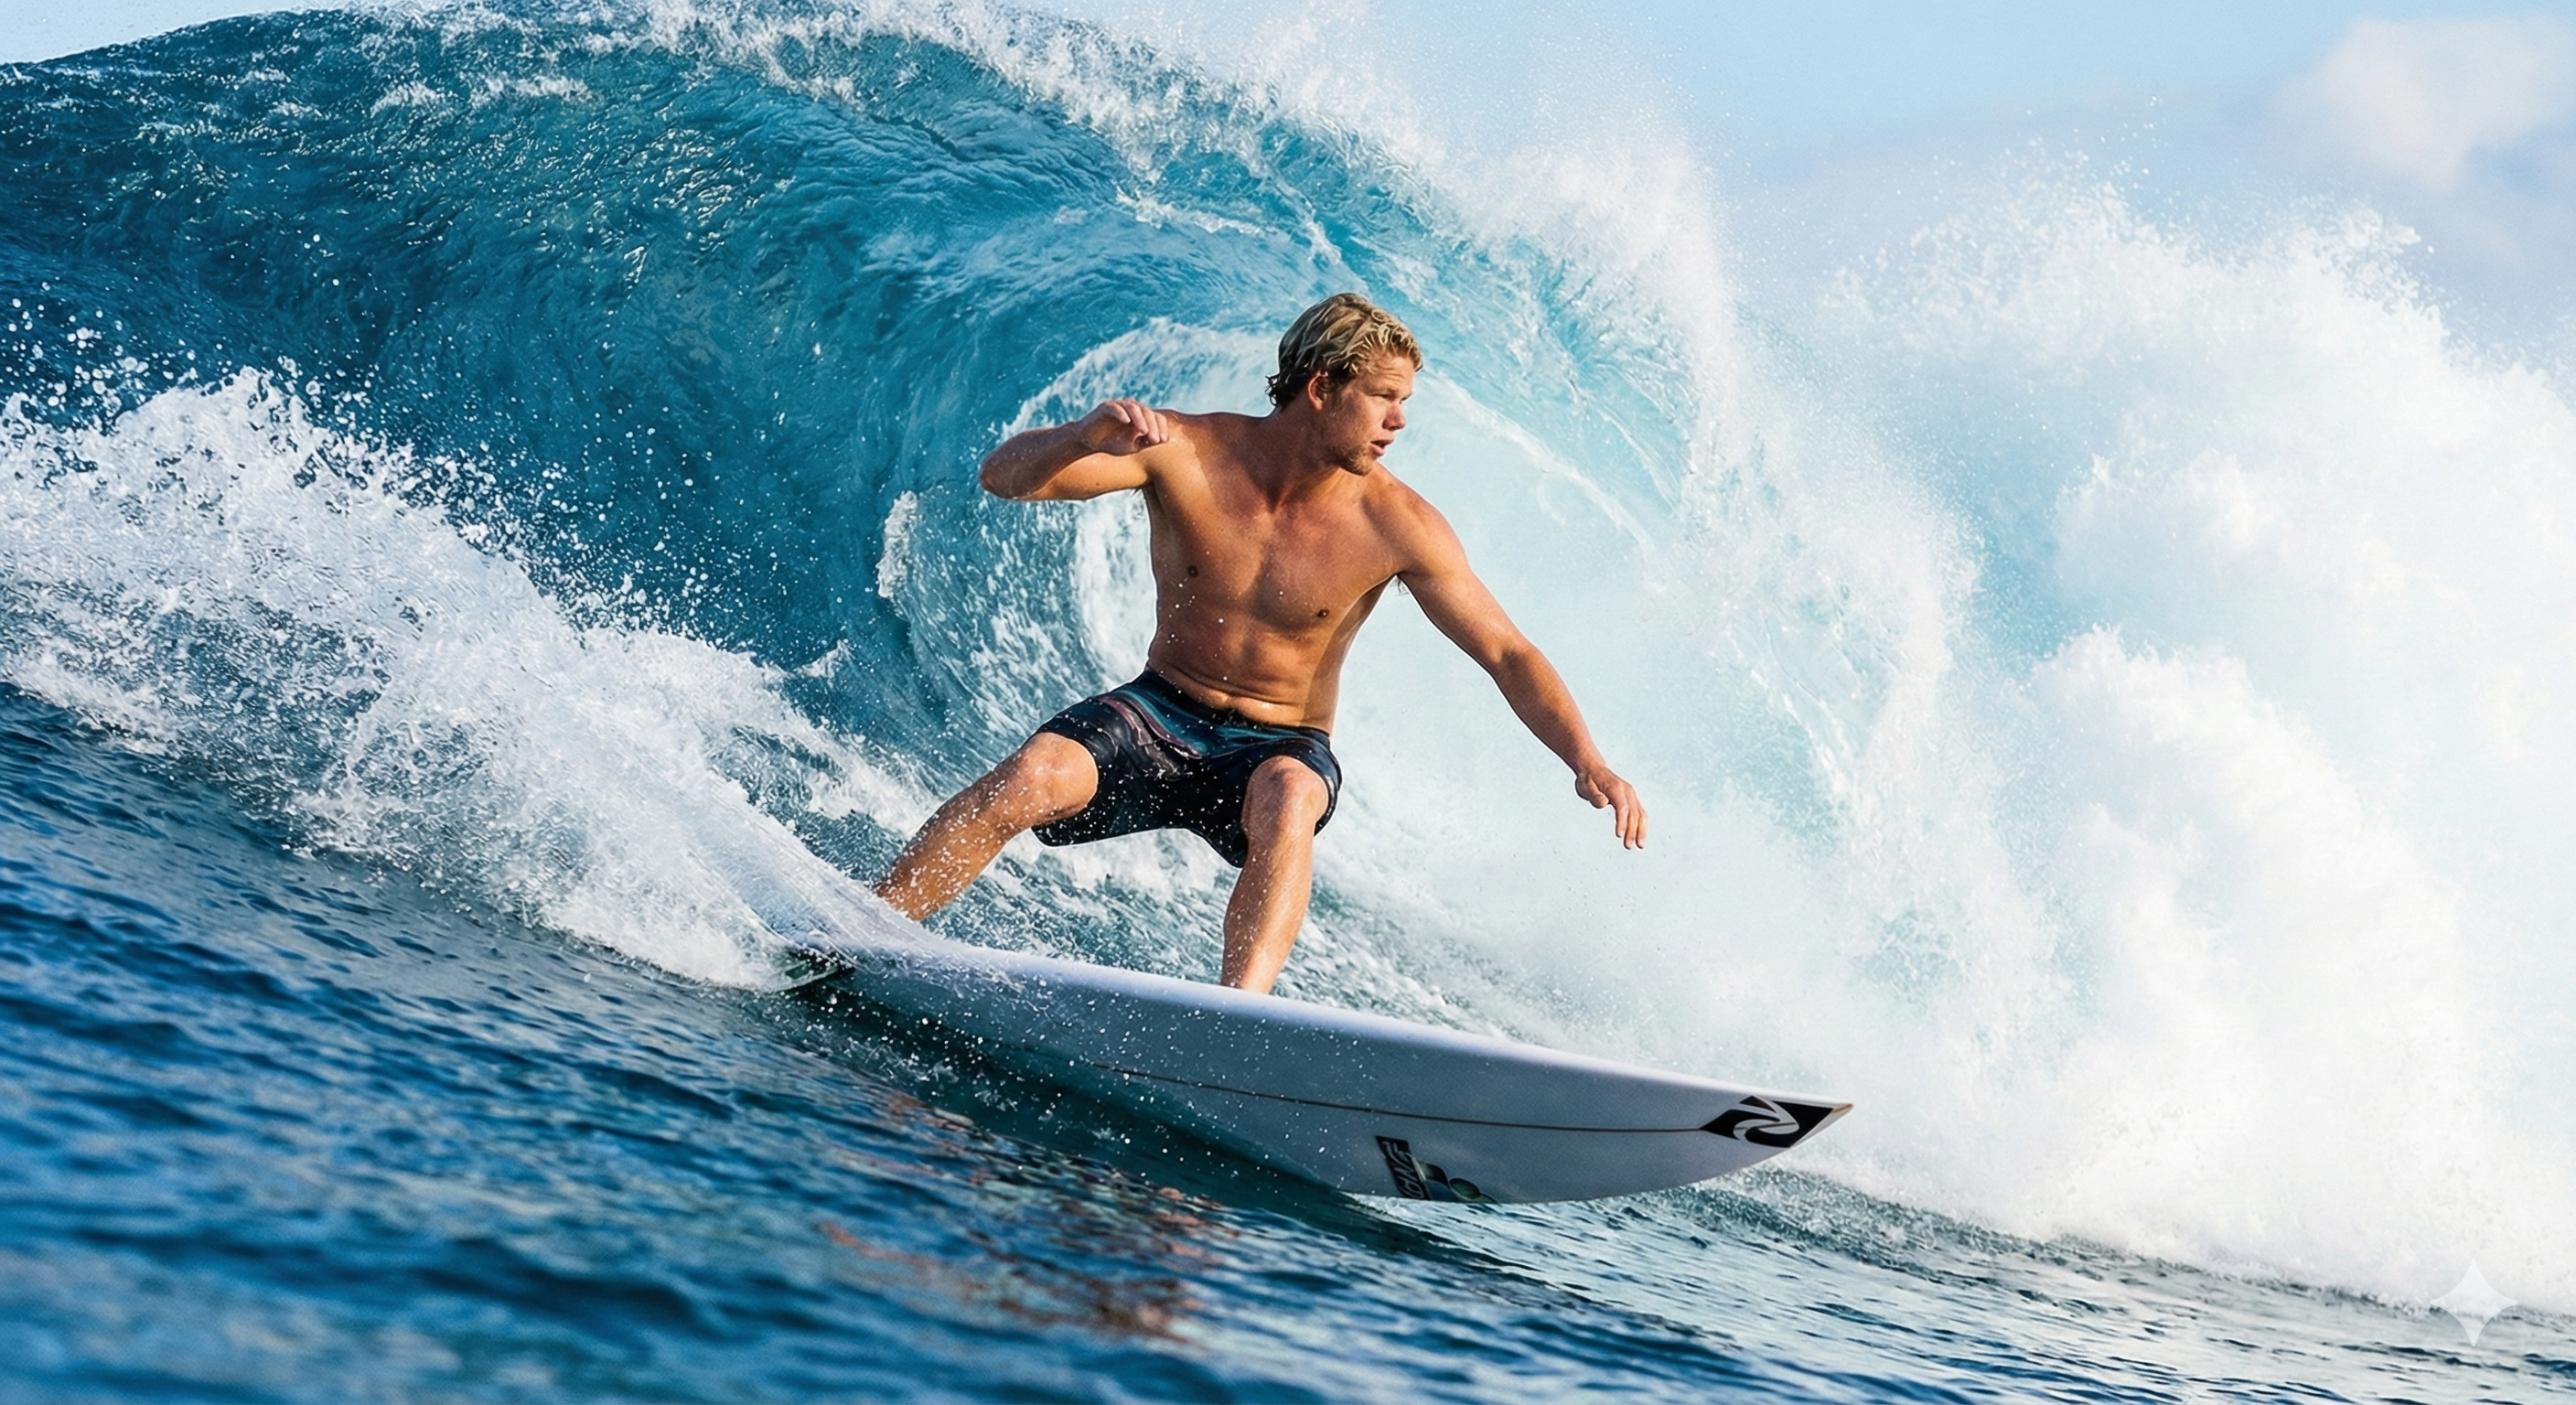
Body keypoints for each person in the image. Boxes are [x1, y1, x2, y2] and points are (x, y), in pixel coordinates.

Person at [873, 293, 1646, 994]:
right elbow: (1005, 479)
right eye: (1383, 397)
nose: (1398, 421)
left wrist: (1588, 759)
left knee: (1291, 796)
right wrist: (1079, 437)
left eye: (1403, 401)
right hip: (1158, 710)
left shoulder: (1398, 525)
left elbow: (1507, 652)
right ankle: (868, 933)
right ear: (1321, 388)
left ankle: (1238, 1021)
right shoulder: (1187, 451)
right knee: (1032, 774)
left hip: (1277, 744)